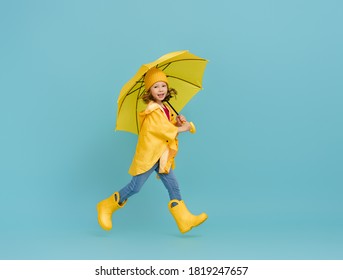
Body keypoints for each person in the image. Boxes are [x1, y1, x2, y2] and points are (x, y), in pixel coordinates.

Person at [96, 67, 207, 234]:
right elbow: (161, 129)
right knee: (135, 187)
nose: (160, 89)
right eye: (155, 87)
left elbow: (166, 127)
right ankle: (106, 206)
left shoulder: (164, 107)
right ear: (149, 90)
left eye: (163, 85)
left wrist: (176, 123)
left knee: (173, 185)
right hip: (150, 155)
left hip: (161, 154)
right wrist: (185, 127)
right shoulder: (152, 109)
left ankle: (184, 220)